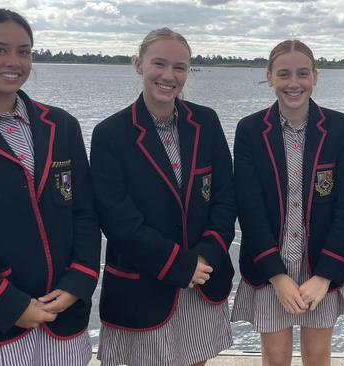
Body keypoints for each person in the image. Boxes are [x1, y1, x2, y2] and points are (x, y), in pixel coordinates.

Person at [0, 8, 100, 365]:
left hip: (62, 316)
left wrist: (78, 281)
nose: (13, 61)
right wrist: (6, 303)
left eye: (24, 51)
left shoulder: (61, 125)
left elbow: (85, 212)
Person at [90, 28, 236, 366]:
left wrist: (205, 256)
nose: (169, 76)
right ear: (139, 65)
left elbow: (226, 198)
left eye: (180, 67)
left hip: (202, 278)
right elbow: (117, 218)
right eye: (159, 63)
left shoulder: (207, 122)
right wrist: (177, 264)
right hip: (144, 283)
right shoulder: (110, 134)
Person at [231, 39, 344, 366]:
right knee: (275, 359)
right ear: (270, 76)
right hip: (270, 264)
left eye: (303, 73)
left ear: (315, 76)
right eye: (284, 74)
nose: (293, 83)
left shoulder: (341, 128)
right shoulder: (249, 130)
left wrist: (325, 274)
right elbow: (250, 210)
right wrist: (276, 274)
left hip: (321, 265)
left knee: (318, 357)